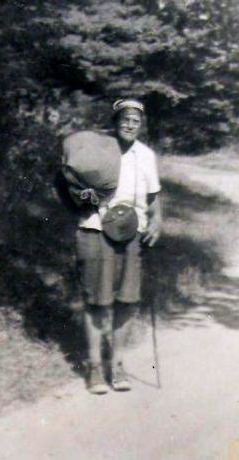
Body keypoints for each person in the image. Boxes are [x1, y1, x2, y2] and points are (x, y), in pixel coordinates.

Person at [75, 99, 162, 394]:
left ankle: (118, 363)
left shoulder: (146, 156)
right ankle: (95, 366)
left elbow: (153, 197)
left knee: (127, 299)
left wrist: (156, 222)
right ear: (115, 122)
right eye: (125, 119)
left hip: (131, 233)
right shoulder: (98, 149)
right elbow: (71, 182)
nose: (130, 124)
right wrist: (83, 195)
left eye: (136, 121)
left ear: (142, 125)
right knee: (97, 299)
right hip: (95, 229)